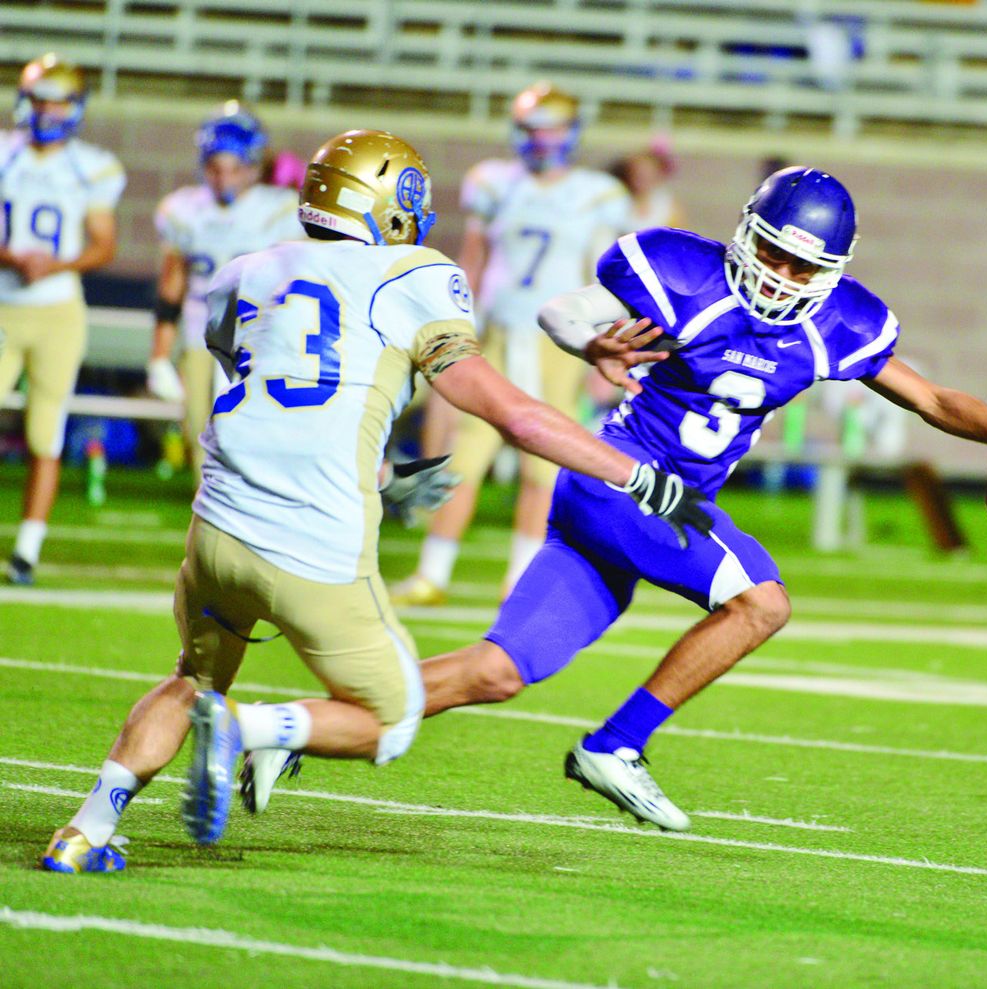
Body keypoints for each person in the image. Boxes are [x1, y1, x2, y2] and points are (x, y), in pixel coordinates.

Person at [248, 165, 987, 833]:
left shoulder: (836, 326)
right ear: (746, 235)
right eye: (774, 253)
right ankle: (616, 745)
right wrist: (594, 340)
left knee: (496, 671)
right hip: (623, 479)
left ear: (832, 273)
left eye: (804, 266)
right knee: (762, 602)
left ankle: (290, 727)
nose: (783, 276)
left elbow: (930, 399)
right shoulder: (684, 272)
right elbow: (559, 309)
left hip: (625, 508)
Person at [40, 128, 709, 872]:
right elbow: (514, 416)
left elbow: (279, 403)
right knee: (389, 719)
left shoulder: (242, 272)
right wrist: (635, 474)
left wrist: (384, 476)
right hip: (312, 543)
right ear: (394, 203)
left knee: (190, 676)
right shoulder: (412, 274)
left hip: (216, 529)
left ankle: (83, 832)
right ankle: (239, 726)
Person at [393, 81, 632, 605]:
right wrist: (452, 326)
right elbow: (472, 262)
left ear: (571, 133)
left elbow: (606, 278)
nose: (540, 141)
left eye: (549, 130)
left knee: (546, 462)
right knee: (462, 455)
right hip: (496, 333)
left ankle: (521, 577)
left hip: (561, 342)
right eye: (530, 130)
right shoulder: (494, 182)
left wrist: (602, 350)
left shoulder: (598, 195)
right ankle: (433, 572)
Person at [0, 54, 125, 585]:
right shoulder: (5, 153)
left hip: (57, 310)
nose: (45, 109)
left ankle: (27, 549)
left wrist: (56, 263)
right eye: (40, 97)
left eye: (56, 99)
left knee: (45, 433)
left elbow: (103, 244)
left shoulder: (91, 166)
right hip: (4, 303)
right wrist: (13, 257)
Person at [146, 102, 302, 480]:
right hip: (202, 335)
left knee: (258, 435)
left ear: (253, 164)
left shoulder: (279, 209)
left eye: (235, 168)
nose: (223, 178)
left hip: (260, 337)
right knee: (200, 434)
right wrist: (159, 356)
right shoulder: (185, 209)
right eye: (216, 168)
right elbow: (171, 287)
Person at [610, 139, 686, 231]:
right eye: (636, 174)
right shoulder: (615, 201)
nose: (641, 180)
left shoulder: (667, 207)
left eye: (647, 175)